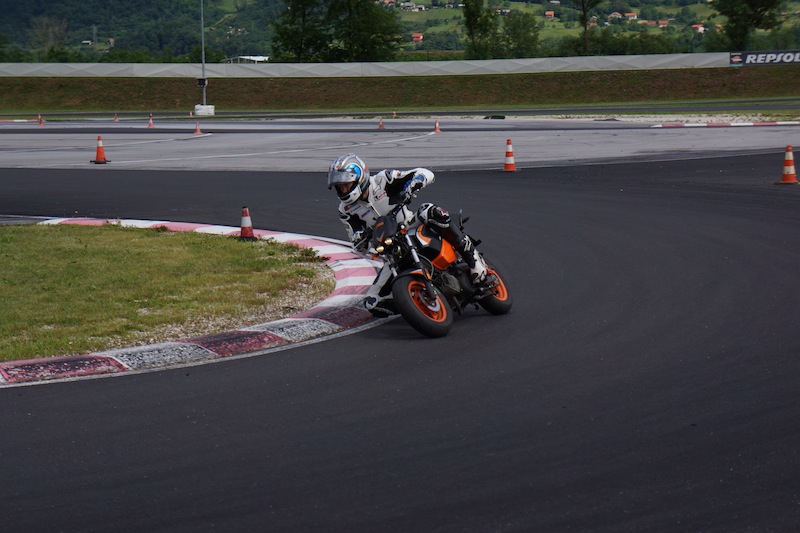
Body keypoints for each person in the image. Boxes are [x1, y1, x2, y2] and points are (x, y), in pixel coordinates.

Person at [327, 153, 487, 315]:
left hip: (410, 224)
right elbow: (357, 244)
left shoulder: (383, 180)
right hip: (390, 249)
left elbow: (425, 173)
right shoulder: (346, 210)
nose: (343, 189)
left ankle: (473, 261)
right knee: (372, 302)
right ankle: (415, 304)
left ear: (359, 177)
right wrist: (360, 240)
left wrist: (415, 182)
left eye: (346, 184)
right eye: (339, 186)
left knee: (429, 210)